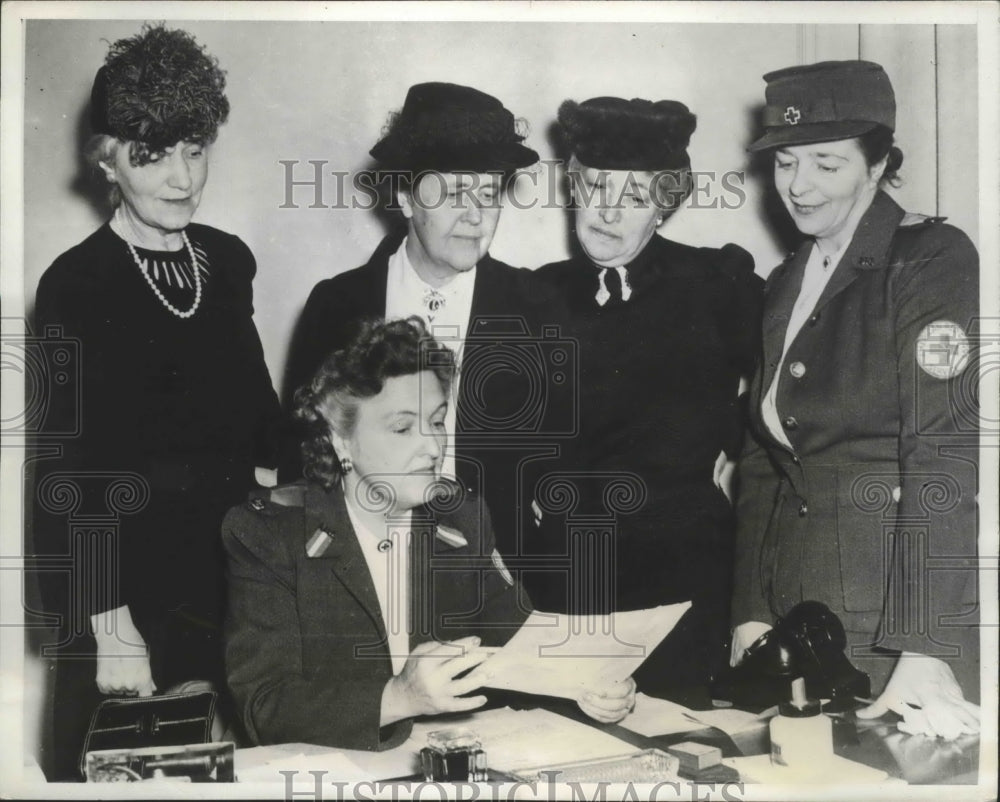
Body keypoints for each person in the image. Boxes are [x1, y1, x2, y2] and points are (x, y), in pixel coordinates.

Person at [32, 25, 280, 779]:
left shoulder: (228, 261)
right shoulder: (78, 284)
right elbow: (67, 470)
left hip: (228, 584)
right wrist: (108, 625)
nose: (181, 178)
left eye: (195, 150)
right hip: (128, 593)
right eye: (152, 155)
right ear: (105, 157)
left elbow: (264, 425)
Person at [224, 318, 635, 749]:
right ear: (340, 440)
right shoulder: (268, 533)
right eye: (403, 428)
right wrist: (398, 698)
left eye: (437, 422)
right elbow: (263, 706)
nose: (434, 447)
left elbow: (523, 644)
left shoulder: (462, 520)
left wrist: (587, 681)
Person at [731, 60, 980, 740]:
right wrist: (749, 612)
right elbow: (762, 465)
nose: (798, 186)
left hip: (890, 628)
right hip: (793, 621)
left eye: (825, 164)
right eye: (785, 163)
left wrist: (923, 645)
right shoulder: (786, 280)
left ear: (877, 165)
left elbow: (942, 460)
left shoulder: (931, 261)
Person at [526, 97, 763, 708]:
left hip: (681, 586)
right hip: (567, 586)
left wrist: (736, 445)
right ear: (574, 189)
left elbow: (791, 374)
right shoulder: (534, 297)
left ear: (664, 209)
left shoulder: (718, 285)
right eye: (597, 186)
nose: (607, 211)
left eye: (634, 197)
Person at [284, 82, 552, 559]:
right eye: (452, 193)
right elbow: (303, 458)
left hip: (496, 578)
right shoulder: (337, 306)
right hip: (365, 568)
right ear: (406, 198)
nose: (475, 215)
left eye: (489, 193)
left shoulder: (537, 309)